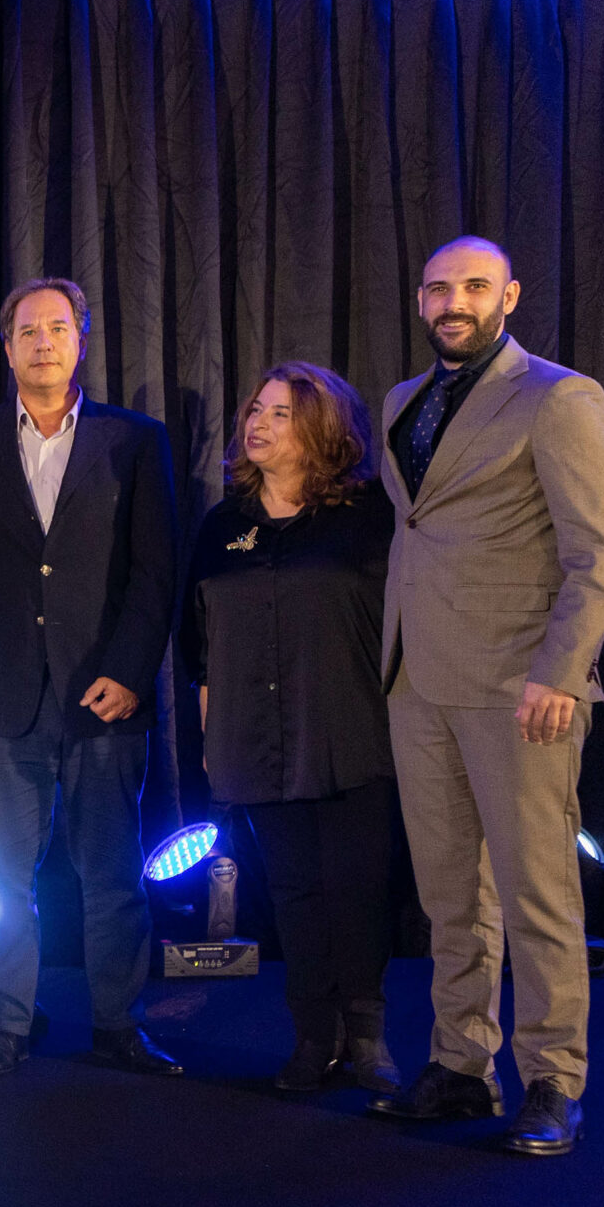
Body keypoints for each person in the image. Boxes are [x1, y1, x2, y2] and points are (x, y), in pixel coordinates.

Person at [368, 236, 604, 1155]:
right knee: (450, 896)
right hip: (417, 678)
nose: (455, 301)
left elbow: (602, 552)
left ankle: (555, 1080)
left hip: (522, 685)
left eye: (475, 286)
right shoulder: (401, 400)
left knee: (537, 894)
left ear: (509, 295)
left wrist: (561, 670)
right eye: (439, 287)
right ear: (420, 299)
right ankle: (460, 1066)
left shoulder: (560, 397)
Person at [0, 278, 180, 1078]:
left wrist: (130, 671)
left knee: (112, 874)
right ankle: (4, 1022)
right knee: (1, 875)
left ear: (81, 340)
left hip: (104, 693)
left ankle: (119, 1023)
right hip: (1, 691)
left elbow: (157, 569)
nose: (43, 342)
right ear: (7, 346)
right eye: (27, 330)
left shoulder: (135, 439)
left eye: (57, 328)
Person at [183, 364, 399, 1094]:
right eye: (256, 409)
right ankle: (313, 1036)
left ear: (322, 429)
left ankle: (366, 1035)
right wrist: (212, 738)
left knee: (358, 889)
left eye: (281, 413)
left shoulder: (368, 517)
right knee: (294, 892)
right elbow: (198, 641)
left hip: (349, 730)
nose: (259, 423)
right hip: (255, 739)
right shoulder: (223, 525)